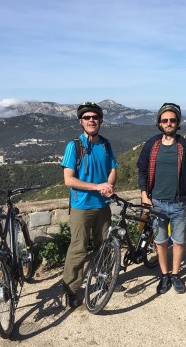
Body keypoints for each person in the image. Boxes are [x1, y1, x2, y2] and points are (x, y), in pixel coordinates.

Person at [137, 103, 186, 294]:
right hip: (156, 203)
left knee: (179, 242)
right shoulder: (152, 144)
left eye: (172, 120)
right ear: (159, 123)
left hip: (179, 203)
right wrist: (143, 194)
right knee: (160, 241)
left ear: (178, 122)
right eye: (165, 120)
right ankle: (164, 275)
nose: (169, 123)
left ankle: (175, 275)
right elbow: (141, 169)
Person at [60, 101, 118, 308]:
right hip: (81, 206)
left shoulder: (105, 144)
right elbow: (69, 180)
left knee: (104, 246)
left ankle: (103, 279)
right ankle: (70, 290)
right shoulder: (73, 146)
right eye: (87, 118)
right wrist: (97, 187)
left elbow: (113, 168)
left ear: (100, 121)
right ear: (80, 122)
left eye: (95, 117)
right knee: (78, 249)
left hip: (103, 205)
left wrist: (109, 186)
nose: (91, 120)